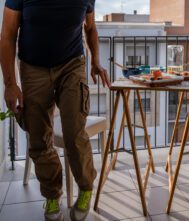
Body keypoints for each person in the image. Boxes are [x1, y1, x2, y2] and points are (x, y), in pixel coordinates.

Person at [0, 0, 111, 220]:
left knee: (74, 132)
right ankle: (52, 194)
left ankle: (86, 187)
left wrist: (95, 60)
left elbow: (90, 27)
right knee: (39, 138)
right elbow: (8, 34)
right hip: (33, 67)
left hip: (71, 64)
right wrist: (11, 84)